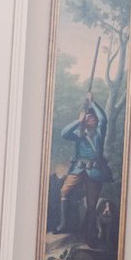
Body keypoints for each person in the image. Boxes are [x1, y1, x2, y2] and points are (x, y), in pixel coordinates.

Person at [55, 93, 109, 241]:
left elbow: (103, 119)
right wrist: (77, 121)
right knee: (64, 191)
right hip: (78, 169)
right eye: (88, 118)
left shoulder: (98, 133)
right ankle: (64, 224)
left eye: (92, 118)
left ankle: (90, 233)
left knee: (92, 204)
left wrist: (93, 102)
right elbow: (64, 133)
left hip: (95, 171)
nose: (90, 119)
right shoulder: (80, 134)